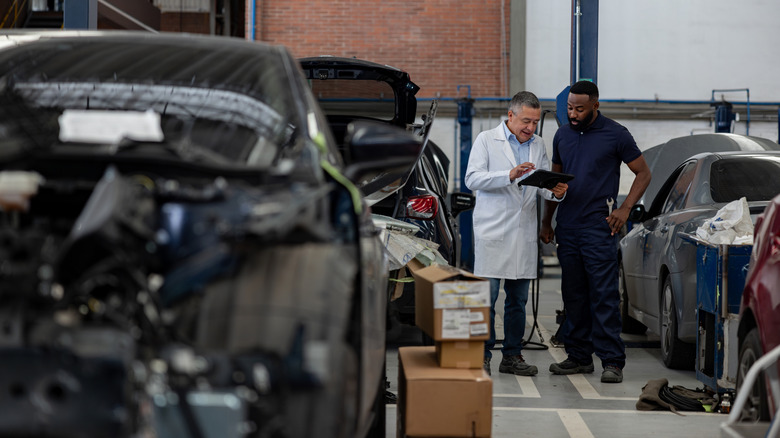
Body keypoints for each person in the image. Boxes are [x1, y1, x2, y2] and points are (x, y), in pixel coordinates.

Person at [540, 80, 651, 383]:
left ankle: (612, 360)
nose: (573, 114)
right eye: (569, 108)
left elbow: (643, 173)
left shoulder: (616, 134)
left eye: (579, 109)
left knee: (603, 295)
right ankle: (578, 356)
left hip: (599, 228)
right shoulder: (562, 135)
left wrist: (625, 208)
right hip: (569, 227)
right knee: (573, 295)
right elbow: (555, 181)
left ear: (595, 106)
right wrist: (547, 221)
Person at [465, 91, 567, 377]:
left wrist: (555, 191)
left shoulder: (538, 144)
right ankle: (482, 355)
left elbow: (543, 184)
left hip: (523, 235)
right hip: (493, 232)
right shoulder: (486, 140)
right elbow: (471, 179)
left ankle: (511, 356)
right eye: (525, 121)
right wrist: (509, 175)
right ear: (510, 116)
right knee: (487, 298)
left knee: (517, 301)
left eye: (535, 122)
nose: (530, 128)